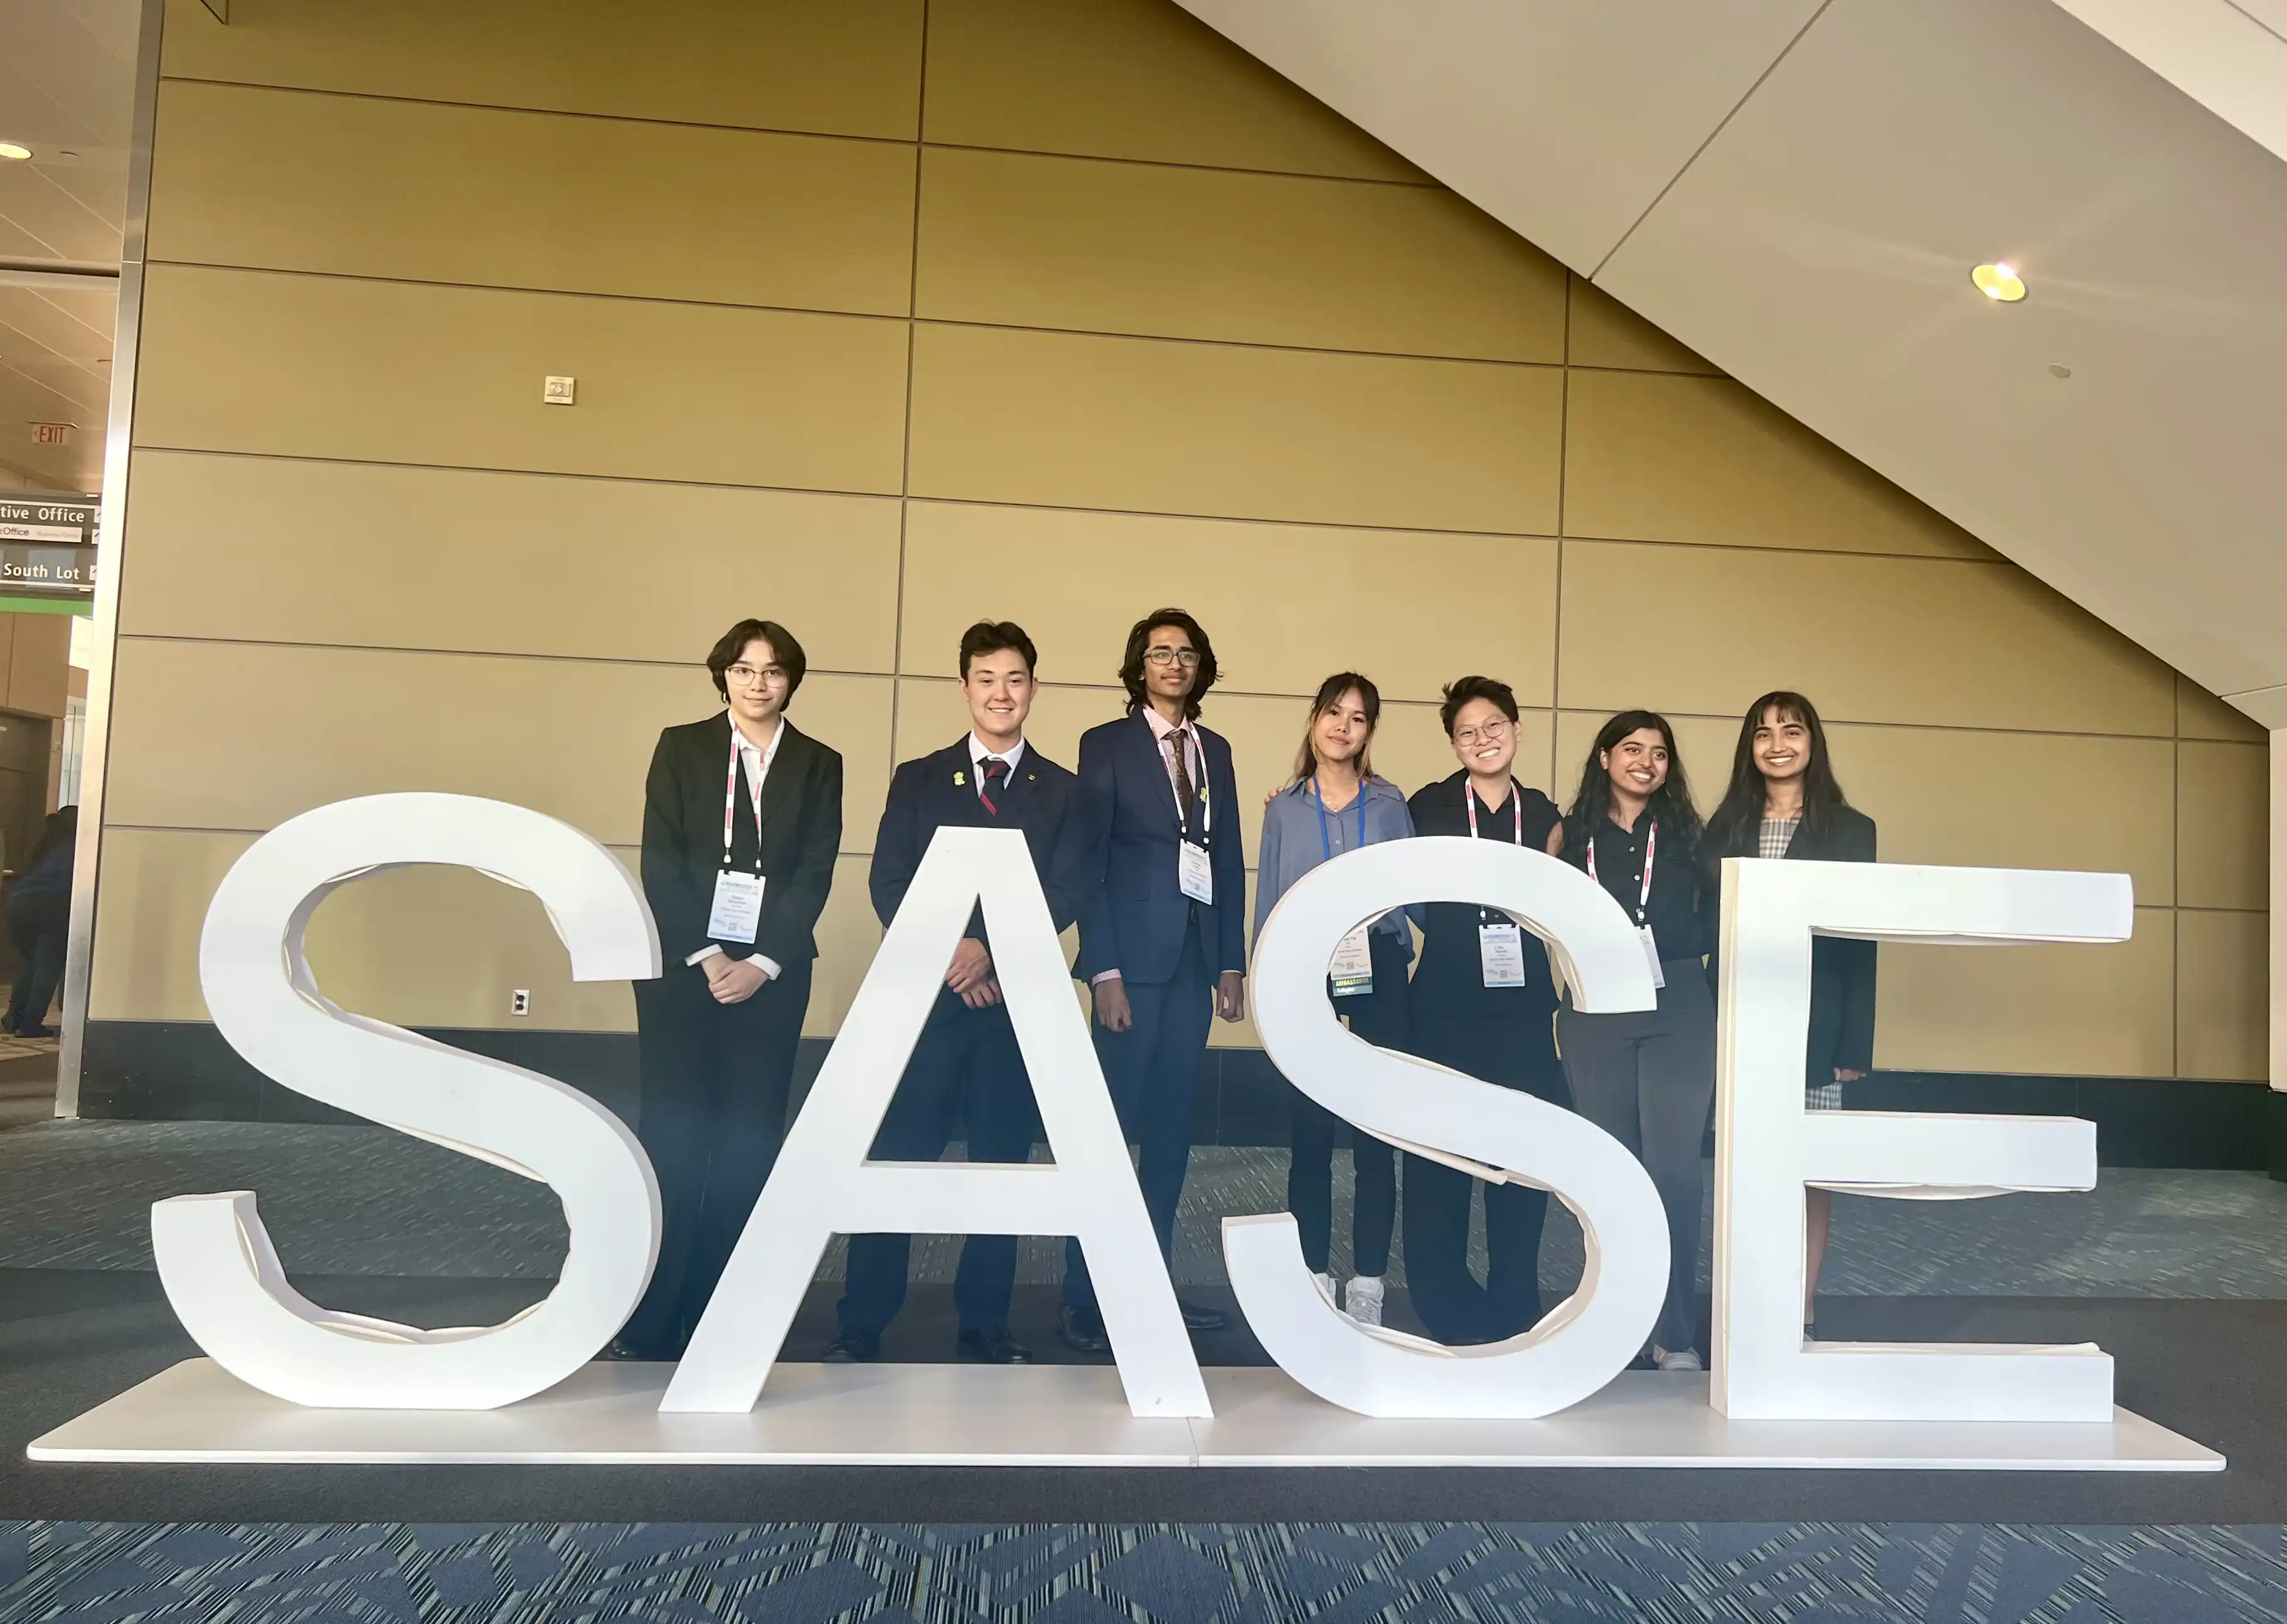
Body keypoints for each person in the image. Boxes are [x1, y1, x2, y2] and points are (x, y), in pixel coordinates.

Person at [825, 620, 1098, 1366]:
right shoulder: (919, 777)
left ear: (1033, 689)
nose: (1001, 693)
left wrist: (993, 955)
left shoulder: (1065, 793)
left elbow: (1068, 889)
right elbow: (889, 879)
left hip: (1013, 1008)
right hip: (925, 1006)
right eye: (987, 679)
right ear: (965, 688)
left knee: (1001, 1161)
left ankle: (985, 1324)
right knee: (895, 1158)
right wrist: (954, 953)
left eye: (1015, 679)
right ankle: (862, 1323)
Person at [615, 620, 843, 1361]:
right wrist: (711, 956)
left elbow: (814, 871)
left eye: (774, 672)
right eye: (744, 670)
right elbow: (663, 860)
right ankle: (652, 1322)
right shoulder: (682, 747)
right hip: (687, 972)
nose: (758, 683)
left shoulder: (818, 762)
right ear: (724, 677)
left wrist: (764, 962)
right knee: (675, 1141)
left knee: (747, 1145)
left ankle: (724, 1320)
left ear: (791, 681)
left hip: (773, 980)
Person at [1060, 608, 1246, 1354]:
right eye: (1160, 653)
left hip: (1194, 967)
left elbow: (1226, 858)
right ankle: (1084, 1296)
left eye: (1187, 653)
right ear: (1139, 666)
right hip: (1129, 971)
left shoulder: (1217, 750)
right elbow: (1088, 863)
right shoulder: (1103, 745)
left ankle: (1150, 1286)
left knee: (1171, 1136)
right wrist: (1101, 967)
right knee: (1110, 1133)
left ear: (1202, 668)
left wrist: (1230, 961)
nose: (1174, 663)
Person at [1703, 691, 1877, 1339]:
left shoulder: (1851, 829)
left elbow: (1863, 942)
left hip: (1817, 1024)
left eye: (1791, 731)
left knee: (1807, 1173)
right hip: (1739, 1021)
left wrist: (1854, 1044)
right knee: (1743, 1170)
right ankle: (1745, 1306)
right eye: (1763, 734)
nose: (1777, 745)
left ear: (1813, 742)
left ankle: (1799, 1309)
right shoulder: (1724, 826)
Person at [1400, 677, 1567, 1345]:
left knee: (1519, 1164)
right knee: (1440, 1160)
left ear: (1517, 731)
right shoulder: (1429, 806)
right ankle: (1444, 1303)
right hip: (1442, 1004)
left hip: (1524, 1011)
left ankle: (1515, 1302)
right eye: (1468, 731)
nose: (1483, 740)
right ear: (1453, 742)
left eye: (1494, 726)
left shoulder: (1549, 814)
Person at [1254, 674, 1415, 1325]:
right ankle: (1314, 1275)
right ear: (1314, 720)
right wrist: (1264, 977)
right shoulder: (1285, 808)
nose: (1343, 727)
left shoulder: (1388, 803)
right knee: (1311, 1134)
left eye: (1357, 718)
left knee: (1377, 1132)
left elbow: (1414, 885)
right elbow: (1268, 895)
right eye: (1333, 713)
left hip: (1377, 963)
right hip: (1306, 968)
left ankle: (1368, 1283)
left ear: (1369, 732)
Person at [1557, 710, 1715, 1372]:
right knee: (1611, 1171)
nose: (1644, 761)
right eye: (1631, 749)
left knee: (1675, 1171)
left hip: (1677, 1003)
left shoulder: (1691, 838)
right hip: (1595, 1007)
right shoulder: (1567, 836)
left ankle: (1674, 1333)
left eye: (1658, 752)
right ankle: (1613, 1324)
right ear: (1603, 758)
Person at [3, 805, 76, 1038]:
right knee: (47, 969)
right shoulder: (78, 848)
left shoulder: (49, 845)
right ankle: (30, 1025)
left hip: (19, 905)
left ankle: (13, 1019)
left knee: (30, 966)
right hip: (52, 906)